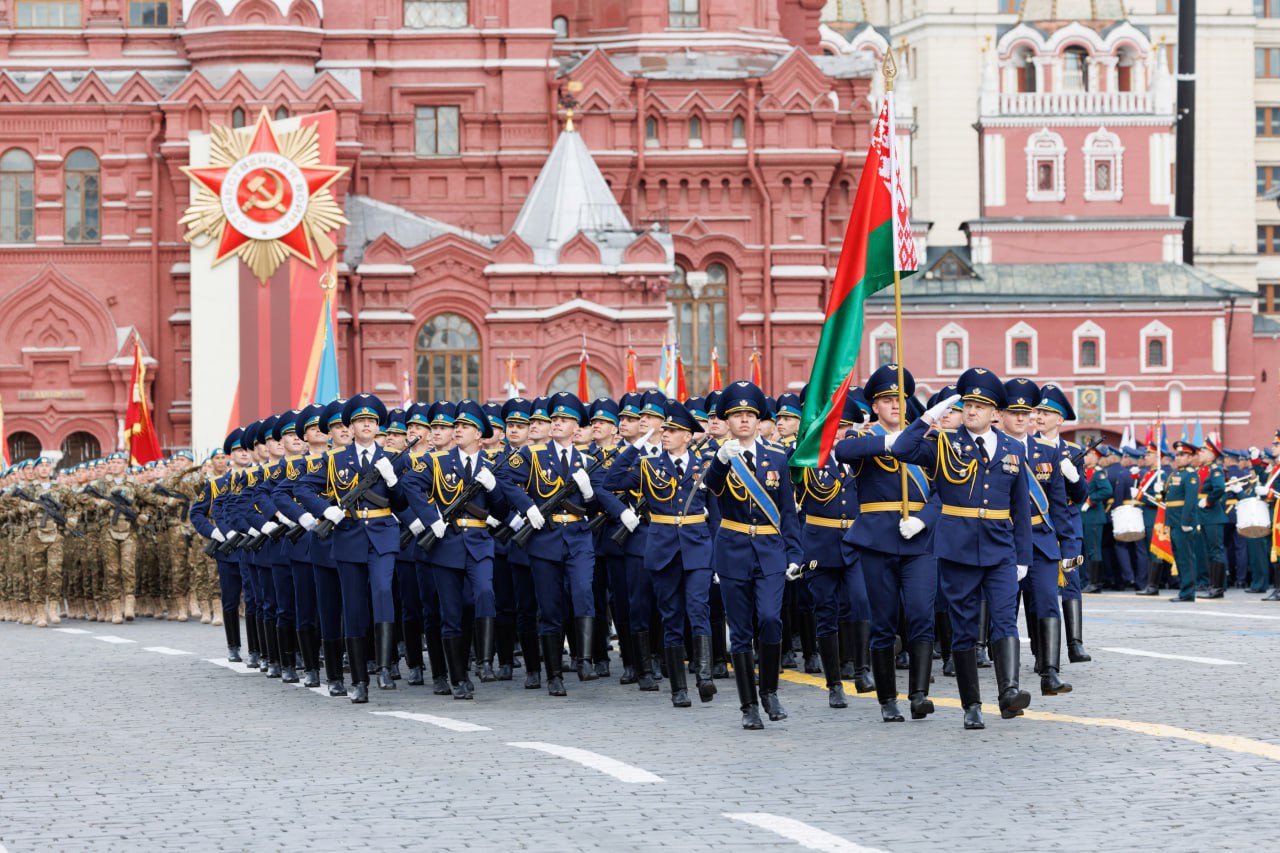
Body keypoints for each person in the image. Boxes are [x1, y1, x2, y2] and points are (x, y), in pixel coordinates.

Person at [888, 368, 1033, 730]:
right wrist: (930, 416)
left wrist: (1023, 556)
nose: (971, 411)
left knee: (1005, 619)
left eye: (980, 406)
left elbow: (1021, 508)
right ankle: (972, 704)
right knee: (965, 626)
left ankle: (1009, 692)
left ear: (995, 412)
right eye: (967, 404)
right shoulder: (943, 443)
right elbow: (902, 448)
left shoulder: (1014, 448)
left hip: (1000, 548)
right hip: (957, 549)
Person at [832, 366, 937, 721]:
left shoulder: (927, 442)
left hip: (919, 540)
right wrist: (890, 443)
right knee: (884, 621)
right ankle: (888, 699)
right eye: (888, 400)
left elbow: (943, 490)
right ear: (875, 406)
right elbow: (844, 452)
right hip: (878, 542)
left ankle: (919, 695)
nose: (895, 405)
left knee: (921, 613)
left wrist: (924, 518)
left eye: (901, 399)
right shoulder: (862, 439)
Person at [604, 399, 717, 708]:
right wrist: (635, 447)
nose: (665, 434)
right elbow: (611, 481)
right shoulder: (648, 465)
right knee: (671, 616)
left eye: (673, 430)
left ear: (688, 436)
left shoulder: (705, 467)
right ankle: (679, 688)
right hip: (663, 548)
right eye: (664, 429)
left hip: (697, 548)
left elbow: (717, 515)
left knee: (699, 609)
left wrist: (716, 556)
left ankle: (704, 676)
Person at [704, 381, 803, 730]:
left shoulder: (777, 456)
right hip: (732, 549)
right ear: (727, 421)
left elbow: (787, 511)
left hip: (770, 550)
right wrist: (720, 461)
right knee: (741, 629)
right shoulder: (721, 457)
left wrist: (795, 553)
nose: (744, 420)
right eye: (736, 415)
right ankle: (748, 705)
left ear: (759, 420)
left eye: (749, 414)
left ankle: (770, 691)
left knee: (771, 619)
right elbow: (712, 488)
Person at [497, 392, 610, 696]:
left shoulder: (589, 461)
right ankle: (554, 674)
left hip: (579, 536)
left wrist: (589, 493)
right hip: (545, 538)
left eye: (565, 419)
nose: (557, 423)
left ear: (577, 427)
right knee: (549, 606)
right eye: (555, 418)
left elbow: (599, 504)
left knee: (583, 591)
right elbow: (505, 478)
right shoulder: (533, 455)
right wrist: (528, 507)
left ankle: (584, 659)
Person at [296, 394, 402, 704]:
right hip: (349, 536)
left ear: (378, 427)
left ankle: (384, 666)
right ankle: (359, 680)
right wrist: (324, 510)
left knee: (382, 590)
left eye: (371, 421)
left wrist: (393, 481)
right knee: (353, 605)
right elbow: (302, 487)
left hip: (382, 534)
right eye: (360, 421)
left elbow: (403, 503)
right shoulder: (335, 459)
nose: (366, 425)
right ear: (350, 427)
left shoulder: (393, 458)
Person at [401, 400, 508, 699]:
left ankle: (484, 661)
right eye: (456, 426)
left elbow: (502, 508)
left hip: (479, 542)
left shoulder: (491, 465)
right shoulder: (438, 461)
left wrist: (494, 488)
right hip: (446, 544)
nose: (458, 430)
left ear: (479, 434)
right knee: (450, 612)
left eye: (465, 426)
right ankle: (457, 677)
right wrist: (431, 517)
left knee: (482, 596)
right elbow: (409, 484)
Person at [998, 378, 1077, 697]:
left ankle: (1050, 672)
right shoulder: (993, 449)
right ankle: (1009, 681)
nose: (1020, 418)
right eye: (1013, 412)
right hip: (1004, 540)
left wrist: (1069, 547)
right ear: (1001, 414)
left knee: (1047, 601)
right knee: (1005, 609)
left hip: (1042, 540)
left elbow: (1059, 506)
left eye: (1025, 412)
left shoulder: (1047, 452)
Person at [1165, 440, 1203, 603]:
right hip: (1173, 521)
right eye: (1177, 455)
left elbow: (1190, 500)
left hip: (1183, 522)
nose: (1178, 457)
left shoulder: (1190, 475)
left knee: (1186, 558)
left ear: (1190, 457)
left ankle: (1188, 592)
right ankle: (1184, 589)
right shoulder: (1175, 474)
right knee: (1179, 557)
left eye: (1183, 455)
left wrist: (1186, 521)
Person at [1197, 438, 1230, 598]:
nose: (1200, 453)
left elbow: (1220, 488)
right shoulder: (1201, 469)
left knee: (1216, 551)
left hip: (1213, 515)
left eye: (1203, 451)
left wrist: (1209, 500)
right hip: (1203, 515)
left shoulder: (1215, 469)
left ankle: (1217, 588)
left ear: (1211, 454)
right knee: (1209, 552)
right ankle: (1213, 585)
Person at [1080, 447, 1112, 594]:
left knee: (1094, 550)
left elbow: (1107, 490)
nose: (1085, 457)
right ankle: (1085, 581)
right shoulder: (1086, 470)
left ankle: (1095, 583)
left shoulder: (1098, 472)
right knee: (1085, 550)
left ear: (1094, 456)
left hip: (1093, 517)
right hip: (1084, 516)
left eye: (1087, 455)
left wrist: (1091, 501)